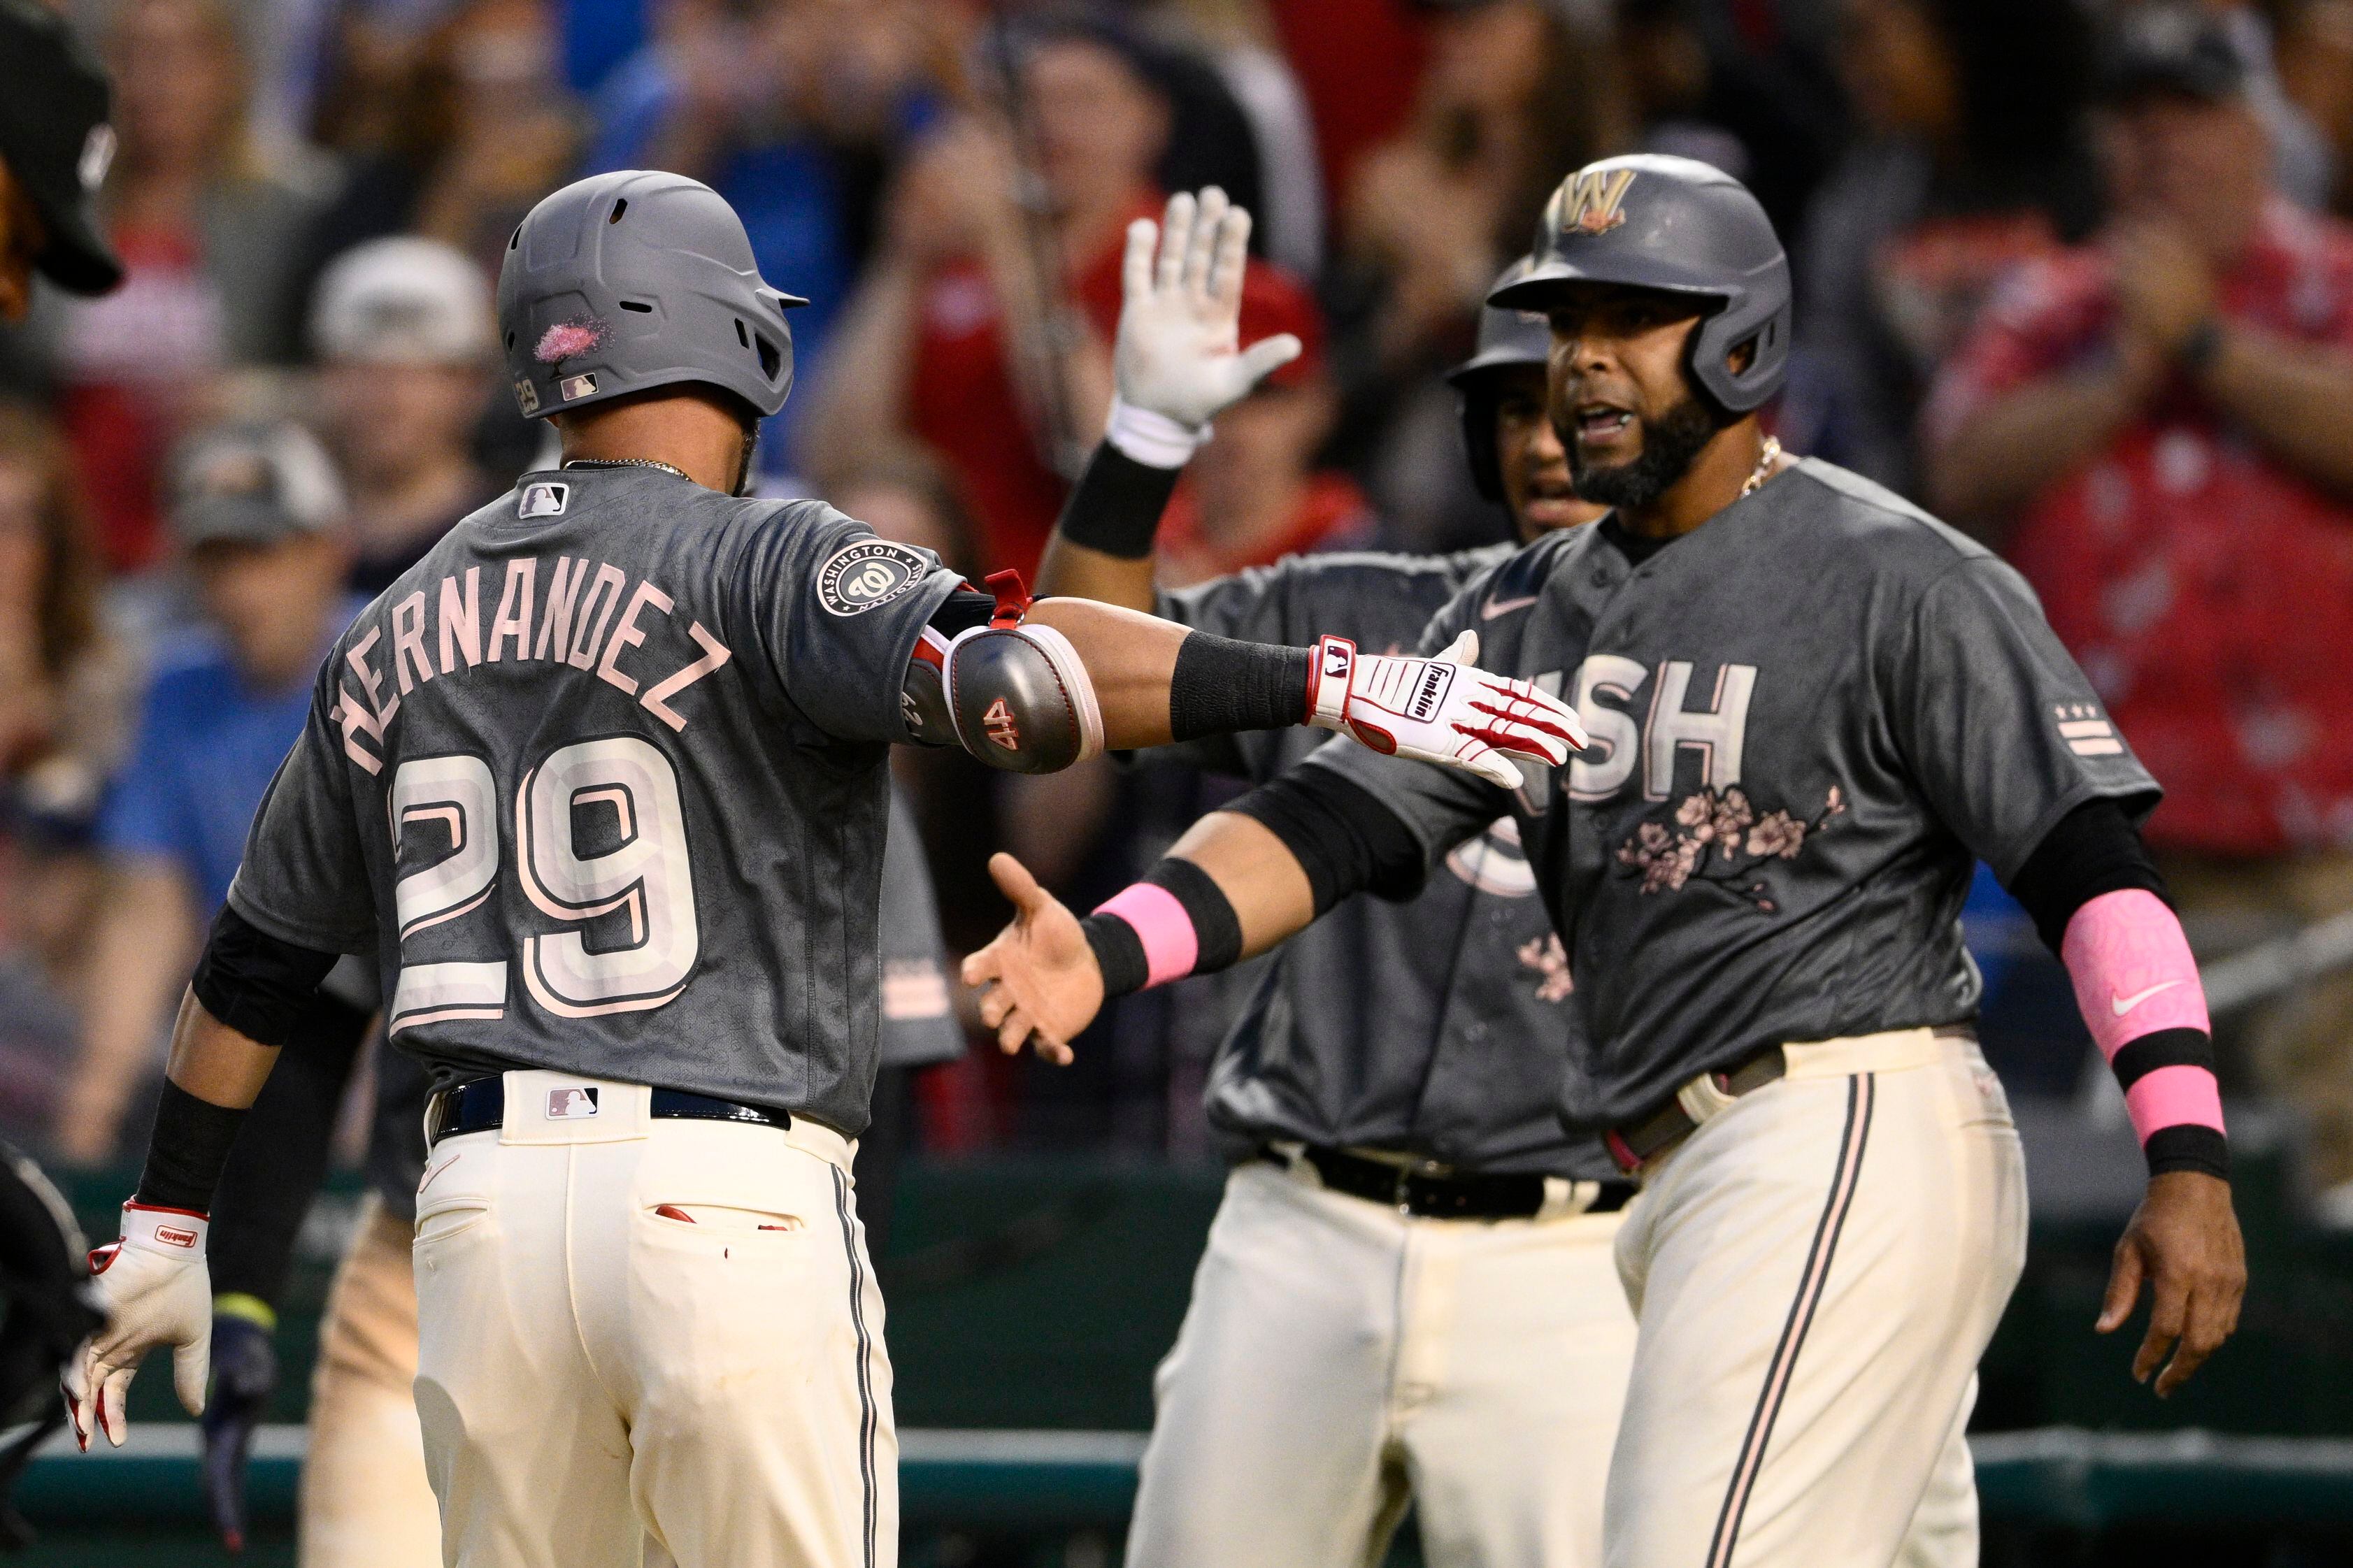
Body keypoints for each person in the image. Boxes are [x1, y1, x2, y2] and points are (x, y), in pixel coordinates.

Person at [64, 168, 1580, 1568]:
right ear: (732, 339)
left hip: (477, 1208)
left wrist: (168, 1220)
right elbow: (1021, 693)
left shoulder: (397, 608)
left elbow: (250, 967)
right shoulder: (774, 554)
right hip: (719, 1186)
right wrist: (1324, 681)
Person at [966, 154, 2248, 1568]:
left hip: (1835, 1120)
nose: (1578, 367)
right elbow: (1323, 820)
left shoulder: (1892, 572)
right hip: (1678, 1173)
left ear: (1737, 337)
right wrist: (1113, 943)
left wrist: (2182, 1151)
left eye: (1625, 320)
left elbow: (2089, 864)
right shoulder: (1527, 611)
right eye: (1560, 328)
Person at [194, 784, 963, 1564]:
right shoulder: (806, 700)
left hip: (487, 1224)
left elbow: (290, 1010)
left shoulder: (420, 675)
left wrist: (236, 1284)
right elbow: (878, 1080)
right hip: (696, 1227)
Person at [1924, 5, 2353, 1223]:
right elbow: (1957, 466)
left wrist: (2205, 344)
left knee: (2336, 1196)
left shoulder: (2331, 282)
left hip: (2322, 858)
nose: (2165, 150)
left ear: (2260, 138)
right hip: (2103, 848)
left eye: (2195, 120)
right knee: (2113, 1204)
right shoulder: (2047, 309)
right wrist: (2124, 364)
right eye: (2138, 123)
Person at [53, 419, 369, 1167]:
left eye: (259, 555)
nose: (236, 590)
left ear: (328, 550)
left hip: (391, 1026)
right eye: (215, 561)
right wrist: (89, 1113)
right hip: (242, 1020)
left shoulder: (392, 661)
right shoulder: (175, 692)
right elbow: (145, 912)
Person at [309, 235, 502, 594]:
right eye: (365, 370)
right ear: (326, 376)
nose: (389, 397)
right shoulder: (285, 553)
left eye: (416, 373)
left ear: (474, 385)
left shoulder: (515, 545)